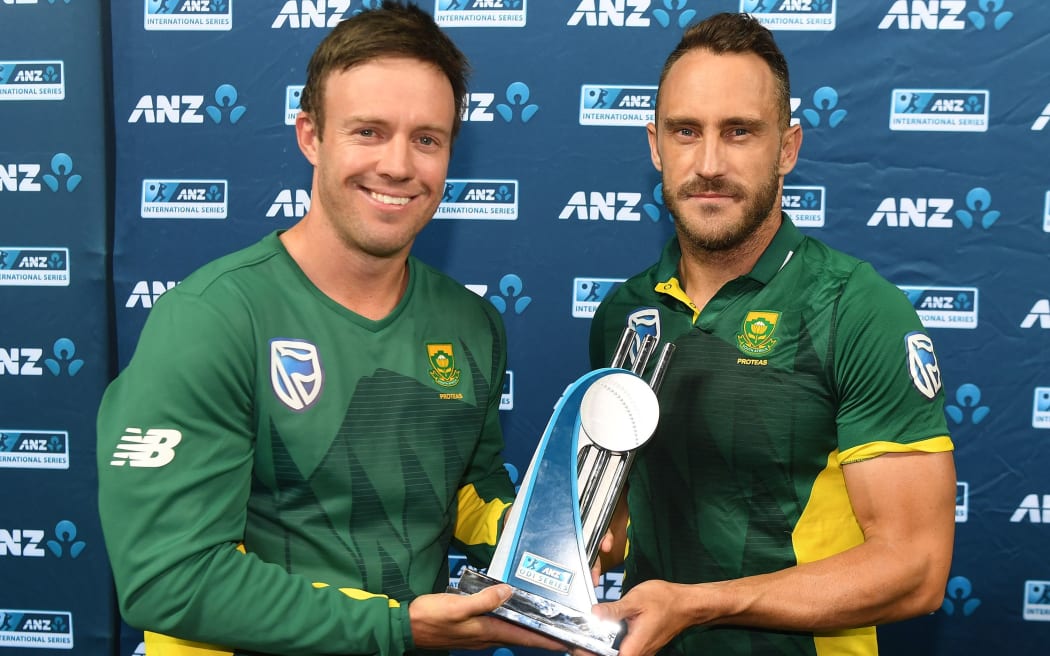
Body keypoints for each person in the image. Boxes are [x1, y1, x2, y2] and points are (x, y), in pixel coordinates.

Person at [96, 4, 566, 655]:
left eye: (427, 138)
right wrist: (397, 628)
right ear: (310, 136)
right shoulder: (212, 319)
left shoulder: (470, 323)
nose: (400, 165)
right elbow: (169, 578)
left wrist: (548, 538)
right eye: (368, 132)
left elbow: (468, 491)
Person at [588, 12, 956, 656]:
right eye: (684, 132)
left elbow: (917, 569)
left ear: (787, 148)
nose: (707, 163)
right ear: (654, 145)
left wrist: (701, 604)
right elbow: (614, 519)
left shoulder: (858, 309)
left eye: (739, 132)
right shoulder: (626, 312)